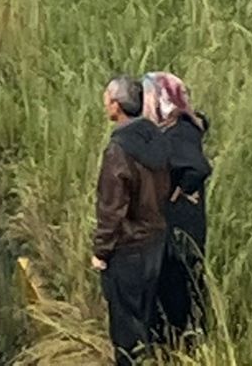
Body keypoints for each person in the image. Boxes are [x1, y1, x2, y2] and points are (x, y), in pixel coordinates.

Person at [93, 74, 172, 366]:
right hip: (156, 241)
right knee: (146, 318)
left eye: (107, 100)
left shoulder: (119, 150)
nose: (105, 105)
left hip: (127, 248)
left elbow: (111, 208)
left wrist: (101, 251)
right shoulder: (158, 138)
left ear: (116, 105)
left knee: (125, 330)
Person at [145, 70, 212, 345]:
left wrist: (178, 191)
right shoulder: (174, 128)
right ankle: (179, 342)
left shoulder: (179, 130)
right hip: (177, 227)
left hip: (181, 229)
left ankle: (186, 344)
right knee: (178, 285)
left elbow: (198, 168)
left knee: (181, 284)